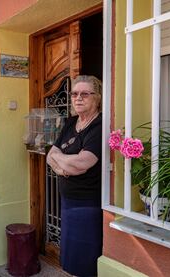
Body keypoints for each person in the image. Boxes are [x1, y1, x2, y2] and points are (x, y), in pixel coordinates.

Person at [47, 75, 102, 277]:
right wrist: (64, 167)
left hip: (88, 205)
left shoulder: (99, 125)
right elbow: (49, 156)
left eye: (85, 94)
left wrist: (62, 160)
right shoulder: (70, 123)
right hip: (67, 202)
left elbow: (82, 164)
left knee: (85, 260)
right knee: (70, 258)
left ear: (96, 98)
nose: (78, 98)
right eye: (74, 94)